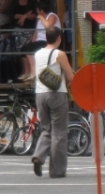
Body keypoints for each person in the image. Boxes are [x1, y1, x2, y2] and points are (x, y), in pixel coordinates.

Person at [31, 27, 74, 179]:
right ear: (59, 38)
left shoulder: (37, 54)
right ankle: (57, 170)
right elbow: (70, 77)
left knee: (46, 129)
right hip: (56, 94)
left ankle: (39, 155)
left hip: (40, 94)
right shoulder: (60, 54)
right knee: (59, 132)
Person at [20, 0, 61, 81]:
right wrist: (32, 41)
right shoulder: (39, 19)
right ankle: (27, 72)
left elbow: (48, 26)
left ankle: (33, 72)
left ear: (41, 10)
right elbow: (36, 32)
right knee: (23, 50)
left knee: (29, 49)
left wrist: (42, 17)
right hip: (39, 41)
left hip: (48, 41)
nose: (37, 12)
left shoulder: (52, 16)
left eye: (37, 10)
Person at [10, 0, 38, 81]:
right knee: (19, 52)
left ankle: (29, 72)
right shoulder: (15, 0)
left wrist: (23, 17)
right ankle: (24, 71)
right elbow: (12, 14)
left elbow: (34, 15)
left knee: (27, 50)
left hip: (29, 30)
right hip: (17, 30)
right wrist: (25, 16)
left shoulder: (33, 0)